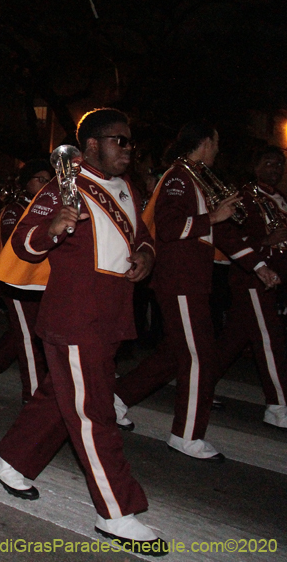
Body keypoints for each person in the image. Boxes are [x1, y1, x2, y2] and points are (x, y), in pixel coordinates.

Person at [0, 109, 165, 553]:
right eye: (118, 141)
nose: (127, 149)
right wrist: (52, 228)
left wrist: (145, 255)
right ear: (92, 146)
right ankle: (117, 511)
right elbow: (22, 243)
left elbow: (143, 236)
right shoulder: (62, 187)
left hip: (112, 316)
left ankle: (8, 461)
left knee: (60, 399)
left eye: (129, 142)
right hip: (74, 318)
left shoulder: (130, 188)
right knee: (92, 412)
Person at [115, 122, 280, 460]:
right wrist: (214, 218)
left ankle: (114, 399)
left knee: (175, 354)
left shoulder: (198, 178)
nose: (218, 149)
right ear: (204, 142)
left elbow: (221, 235)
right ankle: (186, 435)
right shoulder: (178, 177)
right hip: (179, 281)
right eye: (216, 142)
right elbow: (171, 227)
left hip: (192, 281)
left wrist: (258, 266)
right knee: (200, 356)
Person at [212, 146, 287, 428]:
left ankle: (199, 384)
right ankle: (278, 405)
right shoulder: (244, 197)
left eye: (279, 164)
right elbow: (230, 238)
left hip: (275, 280)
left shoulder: (281, 199)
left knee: (233, 340)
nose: (275, 169)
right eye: (268, 163)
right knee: (270, 340)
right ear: (255, 167)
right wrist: (266, 242)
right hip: (252, 278)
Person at [0, 159, 53, 401]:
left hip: (39, 281)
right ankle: (33, 394)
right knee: (29, 337)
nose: (45, 184)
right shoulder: (15, 209)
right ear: (25, 183)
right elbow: (16, 244)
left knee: (26, 331)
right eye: (39, 179)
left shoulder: (47, 207)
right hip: (15, 282)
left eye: (48, 180)